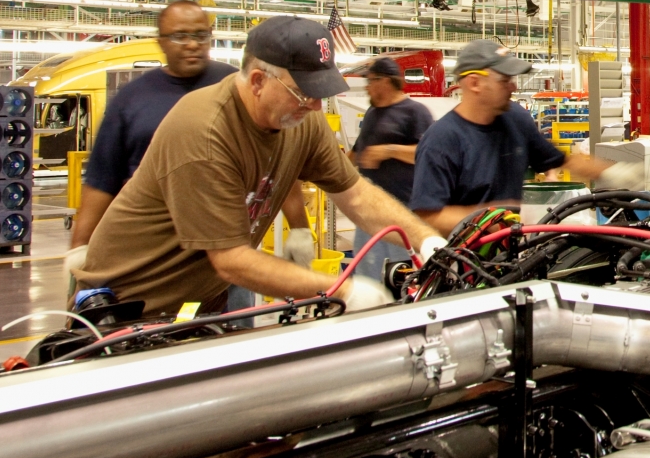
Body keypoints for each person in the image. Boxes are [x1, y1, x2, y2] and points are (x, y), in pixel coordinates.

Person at [71, 16, 439, 316]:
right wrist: (342, 290)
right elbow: (231, 260)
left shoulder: (301, 119)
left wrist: (426, 241)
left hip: (198, 302)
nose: (315, 106)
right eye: (304, 92)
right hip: (126, 307)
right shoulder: (205, 131)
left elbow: (356, 195)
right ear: (259, 81)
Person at [410, 39, 643, 245]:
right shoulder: (442, 140)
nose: (514, 87)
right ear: (474, 83)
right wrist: (491, 216)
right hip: (463, 259)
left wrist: (613, 173)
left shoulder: (515, 119)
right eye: (505, 80)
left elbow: (560, 160)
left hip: (510, 249)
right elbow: (429, 216)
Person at [69, 1, 237, 253]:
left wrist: (296, 227)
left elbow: (274, 152)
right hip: (147, 244)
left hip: (223, 241)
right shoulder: (131, 99)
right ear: (161, 42)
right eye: (180, 36)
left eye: (201, 35)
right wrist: (79, 248)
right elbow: (102, 179)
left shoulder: (236, 87)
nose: (192, 44)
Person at [350, 56, 433, 281]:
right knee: (366, 273)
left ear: (385, 81)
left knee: (401, 275)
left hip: (401, 210)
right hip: (368, 209)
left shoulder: (415, 112)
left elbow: (427, 154)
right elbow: (357, 151)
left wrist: (389, 150)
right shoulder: (372, 113)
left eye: (370, 81)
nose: (367, 86)